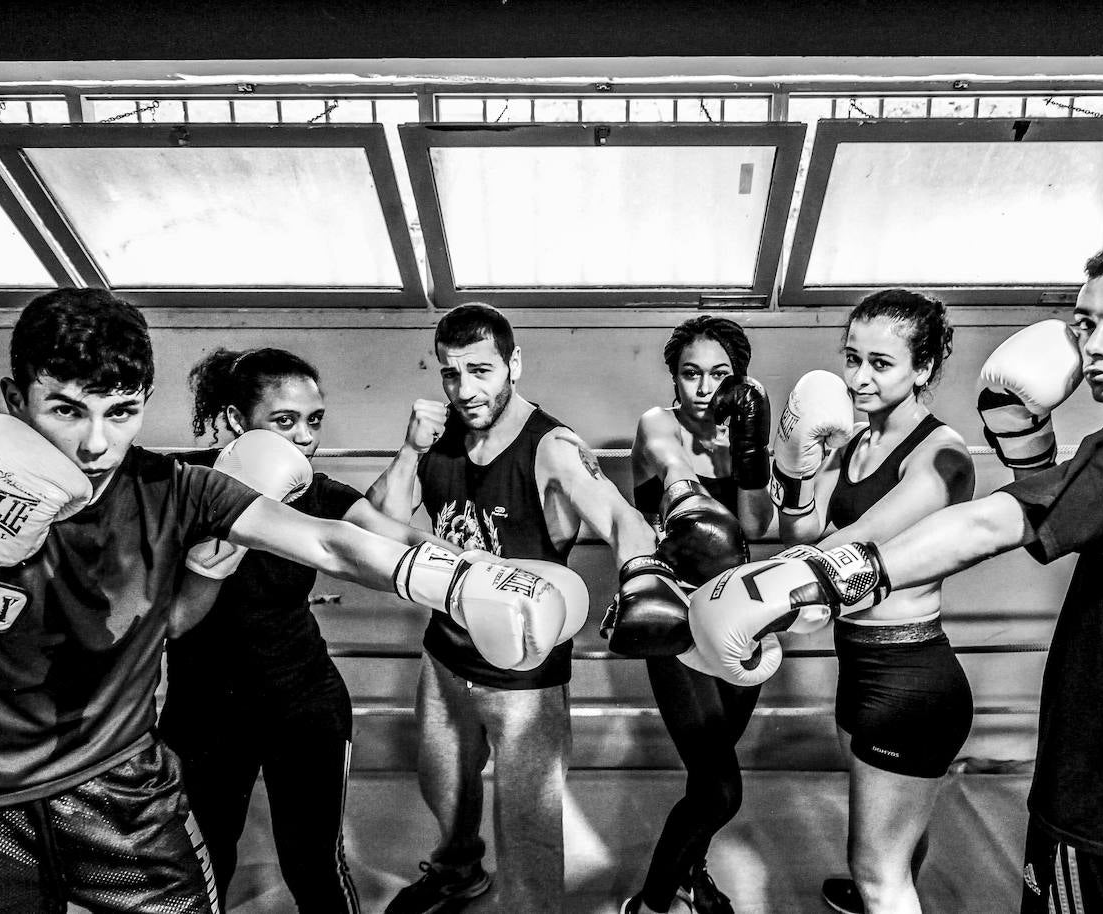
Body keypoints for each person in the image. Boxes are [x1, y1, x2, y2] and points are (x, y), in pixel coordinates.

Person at [0, 289, 582, 914]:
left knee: (311, 862)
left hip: (125, 784)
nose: (96, 444)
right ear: (16, 399)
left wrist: (465, 580)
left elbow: (336, 543)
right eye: (67, 410)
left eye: (121, 411)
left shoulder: (179, 489)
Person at [685, 232, 1103, 914]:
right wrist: (1025, 445)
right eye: (1086, 324)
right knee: (889, 859)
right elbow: (1079, 514)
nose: (1095, 346)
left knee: (885, 870)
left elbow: (985, 525)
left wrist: (804, 581)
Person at [368, 302, 656, 914]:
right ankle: (457, 874)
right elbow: (384, 521)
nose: (465, 390)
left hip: (524, 675)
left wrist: (641, 579)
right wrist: (410, 449)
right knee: (443, 790)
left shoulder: (551, 446)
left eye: (481, 370)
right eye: (451, 373)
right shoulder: (441, 435)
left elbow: (621, 517)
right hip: (445, 654)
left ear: (513, 364)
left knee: (528, 827)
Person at [160, 347, 447, 912]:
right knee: (202, 861)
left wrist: (488, 574)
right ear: (237, 422)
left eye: (314, 421)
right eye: (284, 421)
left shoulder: (317, 490)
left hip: (303, 700)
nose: (305, 438)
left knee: (312, 858)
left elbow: (393, 540)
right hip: (205, 708)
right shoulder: (179, 481)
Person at [767, 290, 975, 914]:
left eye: (880, 363)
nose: (858, 378)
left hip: (911, 679)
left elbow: (847, 550)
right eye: (851, 358)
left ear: (925, 367)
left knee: (875, 871)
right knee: (893, 843)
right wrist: (798, 471)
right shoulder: (854, 444)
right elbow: (799, 533)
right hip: (860, 667)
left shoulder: (943, 456)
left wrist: (746, 593)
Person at [618, 316, 774, 914]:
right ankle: (653, 901)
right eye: (690, 374)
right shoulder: (658, 424)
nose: (703, 388)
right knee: (720, 788)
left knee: (709, 775)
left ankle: (691, 872)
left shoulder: (743, 435)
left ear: (739, 380)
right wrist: (687, 486)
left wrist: (751, 451)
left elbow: (756, 527)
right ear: (674, 378)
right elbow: (669, 461)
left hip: (740, 619)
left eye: (719, 375)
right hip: (678, 626)